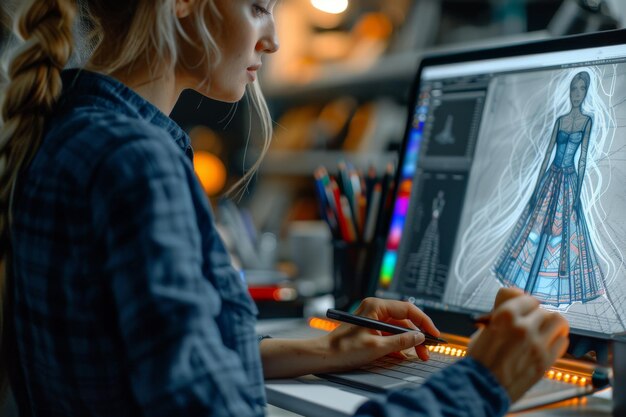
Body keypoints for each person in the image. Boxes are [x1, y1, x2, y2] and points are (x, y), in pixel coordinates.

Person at [0, 1, 569, 416]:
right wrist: (484, 380)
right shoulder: (135, 162)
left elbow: (140, 355)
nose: (271, 40)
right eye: (258, 8)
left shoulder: (68, 131)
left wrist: (320, 349)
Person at [493, 71, 605, 306]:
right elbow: (547, 154)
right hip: (550, 177)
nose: (576, 94)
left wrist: (577, 194)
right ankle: (526, 292)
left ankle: (536, 295)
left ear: (586, 92)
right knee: (536, 230)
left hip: (569, 181)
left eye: (581, 89)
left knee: (561, 236)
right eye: (574, 89)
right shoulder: (561, 120)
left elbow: (582, 159)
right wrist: (535, 189)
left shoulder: (587, 121)